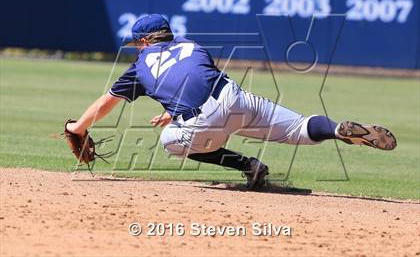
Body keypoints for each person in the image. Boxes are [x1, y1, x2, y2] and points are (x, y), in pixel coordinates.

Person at [66, 14, 397, 189]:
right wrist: (173, 110)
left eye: (137, 43)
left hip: (201, 122)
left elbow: (106, 103)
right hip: (236, 97)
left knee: (169, 141)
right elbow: (194, 77)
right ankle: (338, 129)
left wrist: (77, 127)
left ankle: (249, 166)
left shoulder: (139, 66)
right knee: (300, 128)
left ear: (142, 42)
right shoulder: (191, 44)